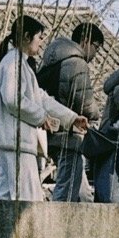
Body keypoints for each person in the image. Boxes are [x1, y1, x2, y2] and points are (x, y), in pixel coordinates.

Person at [0, 17, 87, 201]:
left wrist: (70, 118)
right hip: (15, 143)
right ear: (26, 36)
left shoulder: (19, 63)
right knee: (27, 200)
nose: (41, 43)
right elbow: (12, 98)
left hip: (12, 142)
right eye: (39, 37)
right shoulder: (14, 62)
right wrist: (41, 117)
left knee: (6, 198)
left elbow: (40, 97)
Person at [37, 21, 105, 201]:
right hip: (70, 134)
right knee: (66, 191)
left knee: (80, 193)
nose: (95, 54)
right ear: (85, 41)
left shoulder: (49, 62)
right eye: (96, 47)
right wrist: (96, 114)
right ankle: (55, 226)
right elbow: (85, 104)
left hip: (51, 131)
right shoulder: (77, 63)